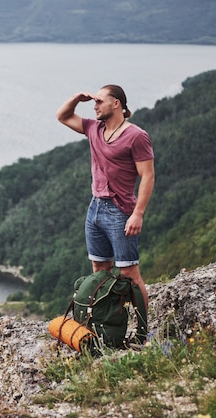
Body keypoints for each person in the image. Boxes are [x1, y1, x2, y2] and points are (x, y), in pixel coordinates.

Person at [56, 84, 154, 311]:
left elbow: (147, 176)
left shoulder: (136, 136)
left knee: (129, 274)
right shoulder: (94, 128)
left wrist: (138, 213)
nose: (95, 105)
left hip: (120, 211)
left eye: (100, 101)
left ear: (116, 103)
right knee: (99, 271)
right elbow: (62, 116)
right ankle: (107, 325)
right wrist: (76, 98)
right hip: (95, 209)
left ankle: (142, 333)